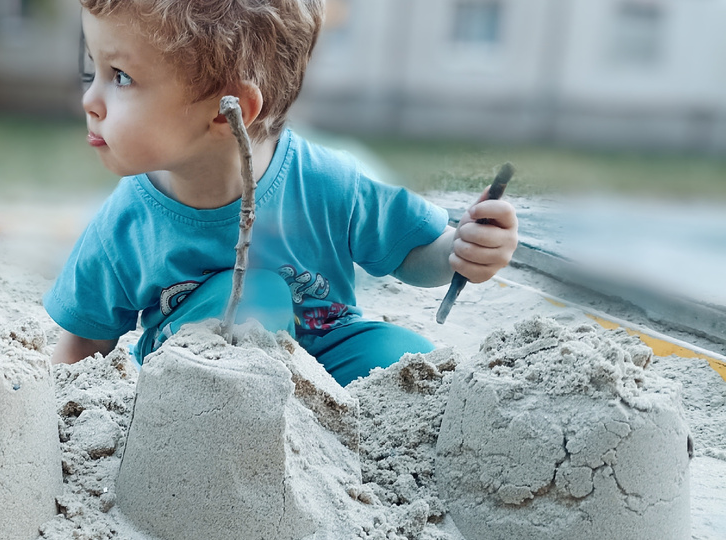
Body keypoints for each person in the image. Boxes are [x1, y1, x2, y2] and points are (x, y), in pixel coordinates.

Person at [44, 0, 519, 386]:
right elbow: (83, 346)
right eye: (94, 69)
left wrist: (462, 250)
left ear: (226, 111)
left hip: (324, 350)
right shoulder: (126, 224)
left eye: (120, 77)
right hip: (198, 378)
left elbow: (415, 250)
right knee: (257, 292)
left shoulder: (327, 180)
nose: (90, 99)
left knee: (414, 362)